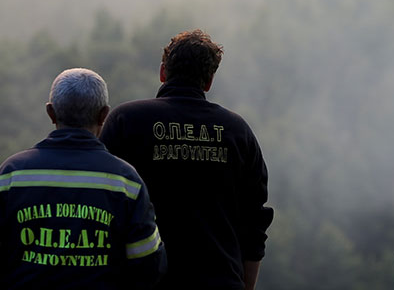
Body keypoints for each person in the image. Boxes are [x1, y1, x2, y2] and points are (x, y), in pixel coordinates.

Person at [0, 68, 166, 289]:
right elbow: (149, 266)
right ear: (104, 114)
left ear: (51, 112)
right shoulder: (127, 182)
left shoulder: (12, 174)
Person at [100, 29, 273, 290]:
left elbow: (100, 203)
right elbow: (255, 222)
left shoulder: (127, 120)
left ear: (162, 71)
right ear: (208, 82)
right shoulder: (238, 131)